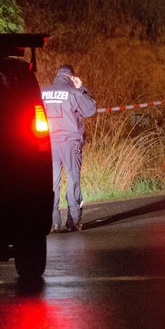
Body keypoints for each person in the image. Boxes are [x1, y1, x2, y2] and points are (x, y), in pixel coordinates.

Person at [41, 64, 97, 232]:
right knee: (73, 179)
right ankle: (73, 221)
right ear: (71, 77)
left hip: (48, 143)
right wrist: (82, 88)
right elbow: (90, 109)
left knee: (51, 182)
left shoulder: (43, 91)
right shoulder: (74, 92)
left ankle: (53, 222)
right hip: (70, 142)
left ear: (57, 74)